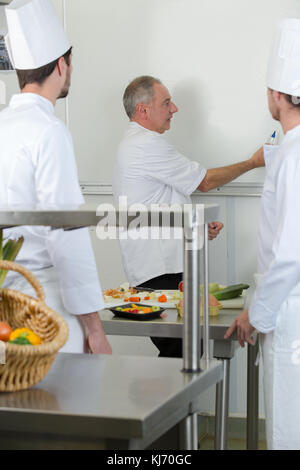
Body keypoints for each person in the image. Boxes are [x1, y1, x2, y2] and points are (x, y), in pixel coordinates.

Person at [112, 75, 265, 358]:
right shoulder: (145, 144)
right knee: (181, 352)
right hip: (161, 272)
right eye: (166, 102)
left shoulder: (136, 144)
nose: (175, 109)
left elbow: (155, 203)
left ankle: (173, 402)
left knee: (183, 350)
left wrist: (193, 229)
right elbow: (205, 181)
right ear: (143, 110)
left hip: (157, 268)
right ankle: (166, 403)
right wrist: (253, 162)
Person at [0, 0, 111, 355]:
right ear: (62, 65)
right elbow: (66, 232)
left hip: (5, 302)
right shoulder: (49, 131)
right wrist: (95, 328)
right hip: (45, 304)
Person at [225, 18, 300, 450]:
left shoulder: (292, 158)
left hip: (290, 314)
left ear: (276, 95)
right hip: (287, 304)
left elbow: (289, 252)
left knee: (287, 430)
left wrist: (256, 314)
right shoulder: (287, 154)